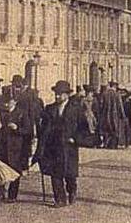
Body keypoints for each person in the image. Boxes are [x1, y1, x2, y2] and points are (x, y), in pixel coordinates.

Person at [34, 80, 91, 208]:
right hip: (53, 146)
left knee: (69, 174)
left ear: (66, 95)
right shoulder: (50, 109)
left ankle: (72, 190)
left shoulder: (76, 109)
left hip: (68, 146)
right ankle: (59, 199)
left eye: (60, 94)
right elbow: (43, 127)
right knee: (55, 173)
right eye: (56, 94)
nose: (57, 96)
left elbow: (83, 128)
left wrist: (75, 139)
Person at [0, 72, 33, 204]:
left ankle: (12, 195)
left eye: (8, 102)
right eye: (4, 102)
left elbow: (28, 130)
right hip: (1, 145)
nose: (6, 105)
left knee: (15, 171)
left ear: (14, 101)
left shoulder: (21, 113)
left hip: (16, 146)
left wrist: (17, 129)